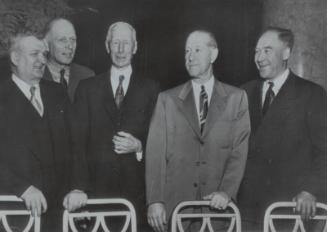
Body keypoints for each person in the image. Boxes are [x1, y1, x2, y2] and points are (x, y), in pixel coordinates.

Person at [146, 30, 250, 232]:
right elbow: (155, 153)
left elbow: (239, 151)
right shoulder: (166, 99)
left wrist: (226, 192)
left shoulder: (236, 99)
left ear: (213, 55)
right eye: (186, 51)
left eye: (197, 50)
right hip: (175, 210)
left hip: (217, 209)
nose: (190, 57)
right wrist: (155, 200)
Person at [64, 21, 159, 230]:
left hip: (137, 199)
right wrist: (79, 189)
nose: (121, 49)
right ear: (107, 46)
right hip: (97, 199)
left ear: (135, 47)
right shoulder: (87, 89)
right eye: (116, 43)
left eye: (126, 43)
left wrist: (139, 147)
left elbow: (161, 144)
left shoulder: (152, 89)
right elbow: (77, 143)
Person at [237, 27, 327, 231]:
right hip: (248, 209)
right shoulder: (243, 92)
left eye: (267, 50)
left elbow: (325, 151)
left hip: (290, 208)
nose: (259, 57)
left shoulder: (311, 94)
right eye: (256, 51)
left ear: (286, 53)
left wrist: (310, 190)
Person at [0, 29, 72, 231]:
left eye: (44, 54)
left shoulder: (58, 93)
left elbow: (76, 144)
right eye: (34, 54)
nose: (42, 60)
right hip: (15, 213)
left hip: (60, 213)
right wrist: (22, 188)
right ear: (15, 57)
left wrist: (77, 187)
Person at [44, 18, 95, 102]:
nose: (70, 46)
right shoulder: (34, 75)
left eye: (73, 40)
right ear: (46, 43)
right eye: (62, 40)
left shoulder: (87, 76)